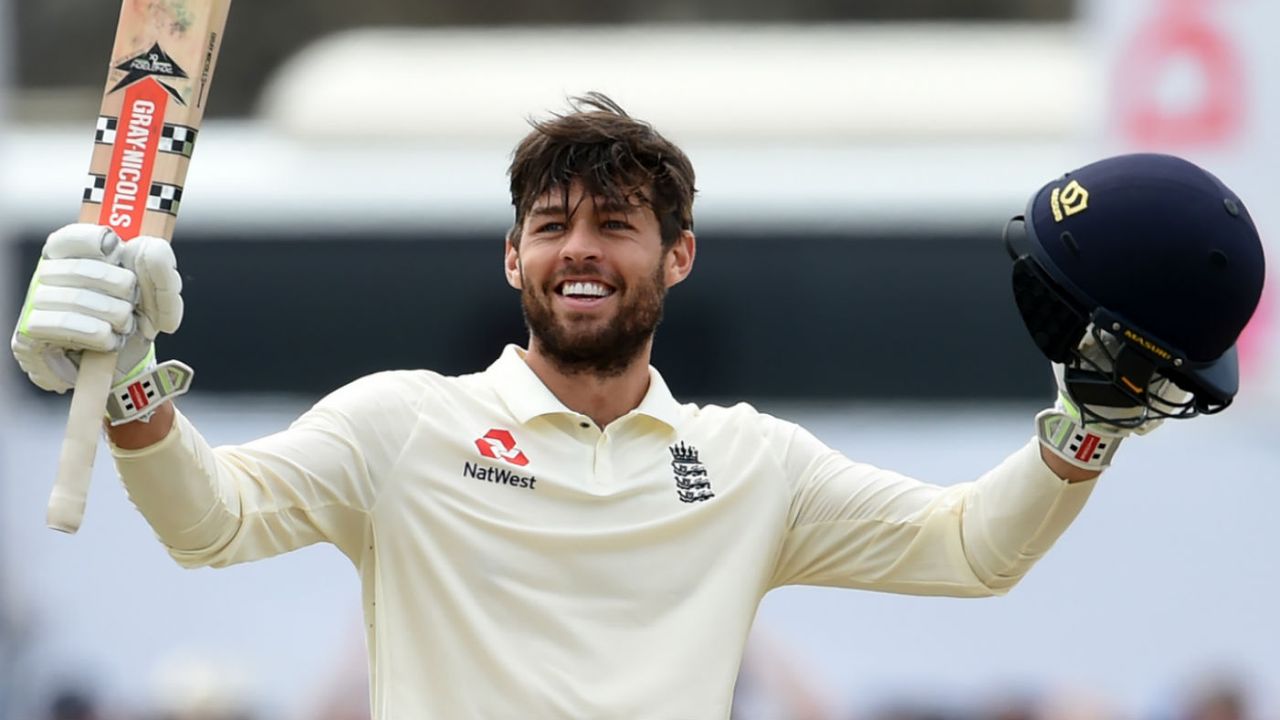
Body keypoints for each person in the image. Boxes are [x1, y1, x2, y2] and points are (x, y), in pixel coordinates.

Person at [11, 94, 1265, 719]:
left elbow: (967, 552)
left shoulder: (748, 465)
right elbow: (208, 524)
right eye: (551, 226)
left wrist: (1084, 427)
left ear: (677, 258)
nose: (580, 251)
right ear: (510, 258)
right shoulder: (399, 427)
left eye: (616, 225)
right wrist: (127, 390)